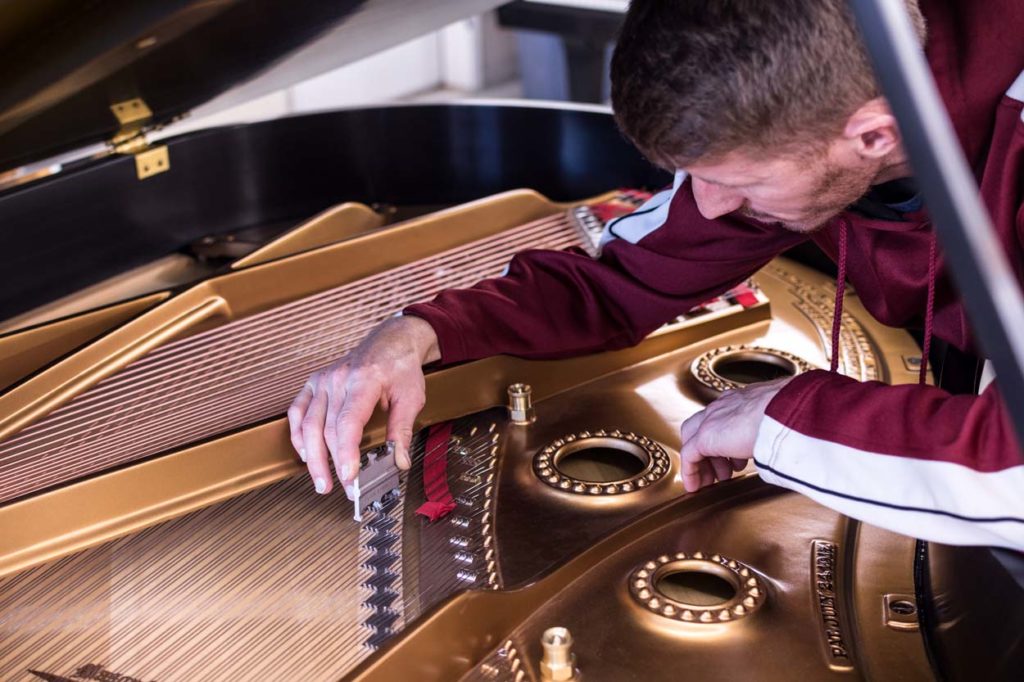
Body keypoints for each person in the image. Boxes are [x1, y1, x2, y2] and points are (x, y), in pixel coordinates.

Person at [288, 0, 1024, 551]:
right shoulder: (816, 103)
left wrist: (787, 417)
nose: (709, 206)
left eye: (741, 184)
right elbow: (616, 282)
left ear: (875, 134)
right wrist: (419, 331)